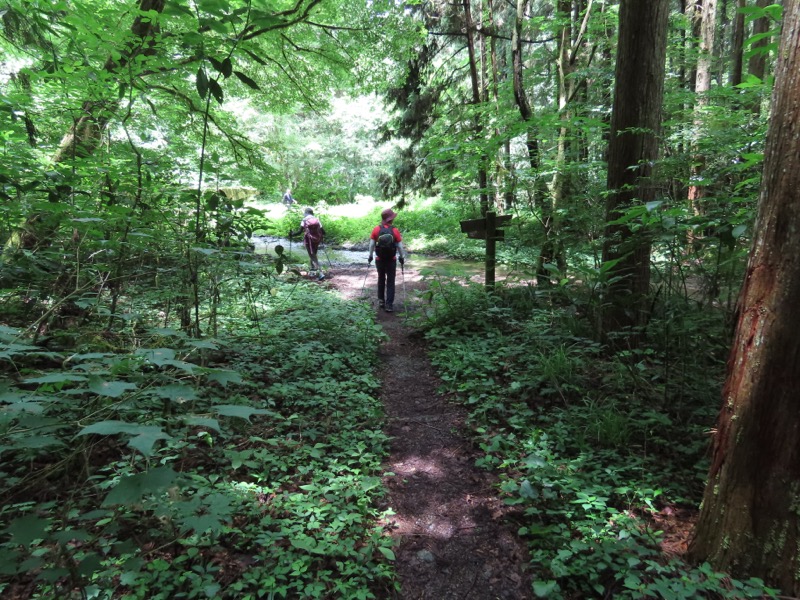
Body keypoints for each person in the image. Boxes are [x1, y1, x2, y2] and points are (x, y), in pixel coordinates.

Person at [368, 208, 407, 313]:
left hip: (379, 260)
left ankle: (381, 301)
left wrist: (370, 255)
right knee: (390, 281)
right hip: (391, 260)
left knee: (381, 279)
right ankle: (389, 305)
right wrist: (402, 257)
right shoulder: (394, 230)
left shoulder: (376, 229)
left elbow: (372, 244)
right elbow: (399, 246)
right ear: (390, 220)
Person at [290, 207, 325, 280]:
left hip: (308, 240)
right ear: (312, 213)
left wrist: (292, 234)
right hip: (317, 240)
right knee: (313, 254)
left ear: (306, 213)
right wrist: (320, 236)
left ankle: (320, 273)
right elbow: (323, 231)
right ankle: (312, 271)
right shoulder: (317, 220)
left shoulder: (304, 220)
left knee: (312, 256)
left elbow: (299, 232)